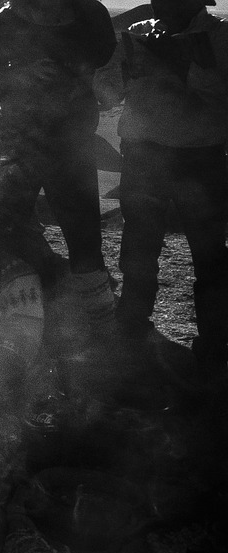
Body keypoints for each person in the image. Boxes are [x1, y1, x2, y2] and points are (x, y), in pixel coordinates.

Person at [0, 0, 116, 343]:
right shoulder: (9, 18)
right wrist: (22, 74)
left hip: (71, 142)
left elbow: (108, 65)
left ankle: (99, 328)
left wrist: (77, 75)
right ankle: (9, 325)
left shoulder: (91, 16)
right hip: (16, 141)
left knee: (84, 238)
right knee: (4, 232)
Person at [110, 0, 228, 381]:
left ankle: (214, 349)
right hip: (144, 153)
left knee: (209, 258)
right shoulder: (139, 33)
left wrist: (182, 68)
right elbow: (109, 91)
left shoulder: (221, 37)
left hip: (200, 156)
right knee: (139, 250)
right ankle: (132, 332)